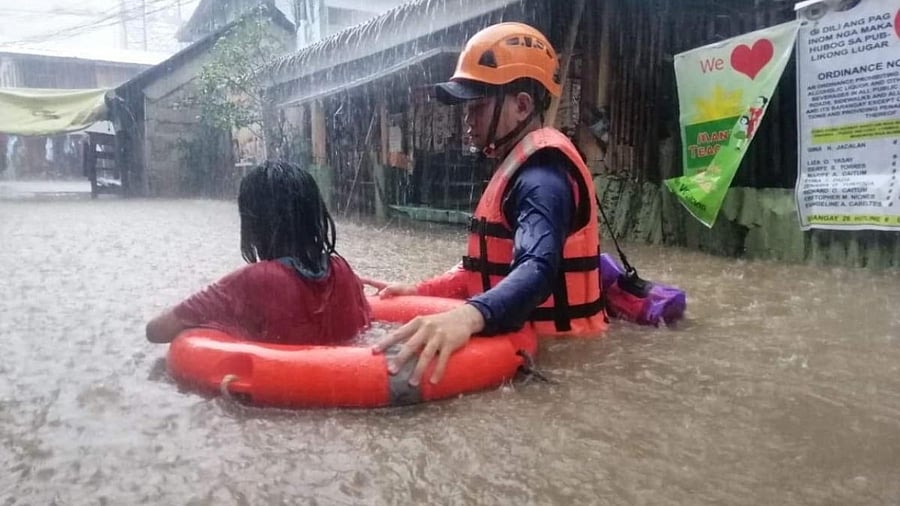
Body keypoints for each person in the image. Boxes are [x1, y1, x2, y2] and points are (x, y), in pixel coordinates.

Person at [365, 22, 607, 387]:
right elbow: (483, 271)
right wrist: (419, 291)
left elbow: (538, 268)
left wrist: (468, 317)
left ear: (522, 106)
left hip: (561, 361)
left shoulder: (542, 179)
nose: (467, 121)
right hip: (535, 346)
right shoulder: (518, 167)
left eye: (476, 107)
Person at [146, 161, 371, 345]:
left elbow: (156, 331)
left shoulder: (257, 280)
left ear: (253, 224)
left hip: (281, 394)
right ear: (316, 215)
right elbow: (366, 324)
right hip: (344, 384)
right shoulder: (342, 271)